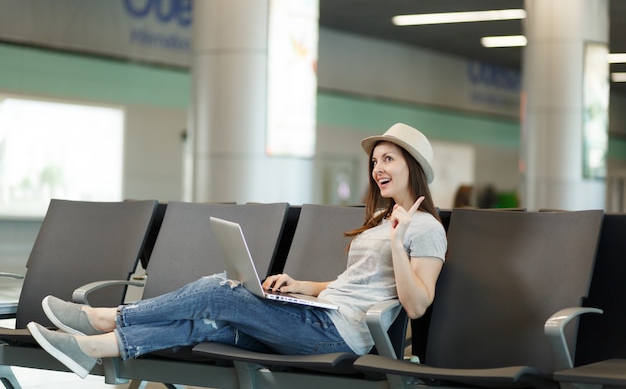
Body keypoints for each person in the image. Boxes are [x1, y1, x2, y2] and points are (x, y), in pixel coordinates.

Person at [27, 122, 447, 379]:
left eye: (388, 159)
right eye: (375, 161)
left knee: (219, 290)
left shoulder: (424, 229)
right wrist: (302, 284)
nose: (378, 169)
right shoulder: (378, 220)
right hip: (318, 315)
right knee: (209, 324)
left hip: (337, 335)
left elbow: (416, 305)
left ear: (412, 165)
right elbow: (352, 285)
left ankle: (105, 317)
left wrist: (397, 240)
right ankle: (89, 350)